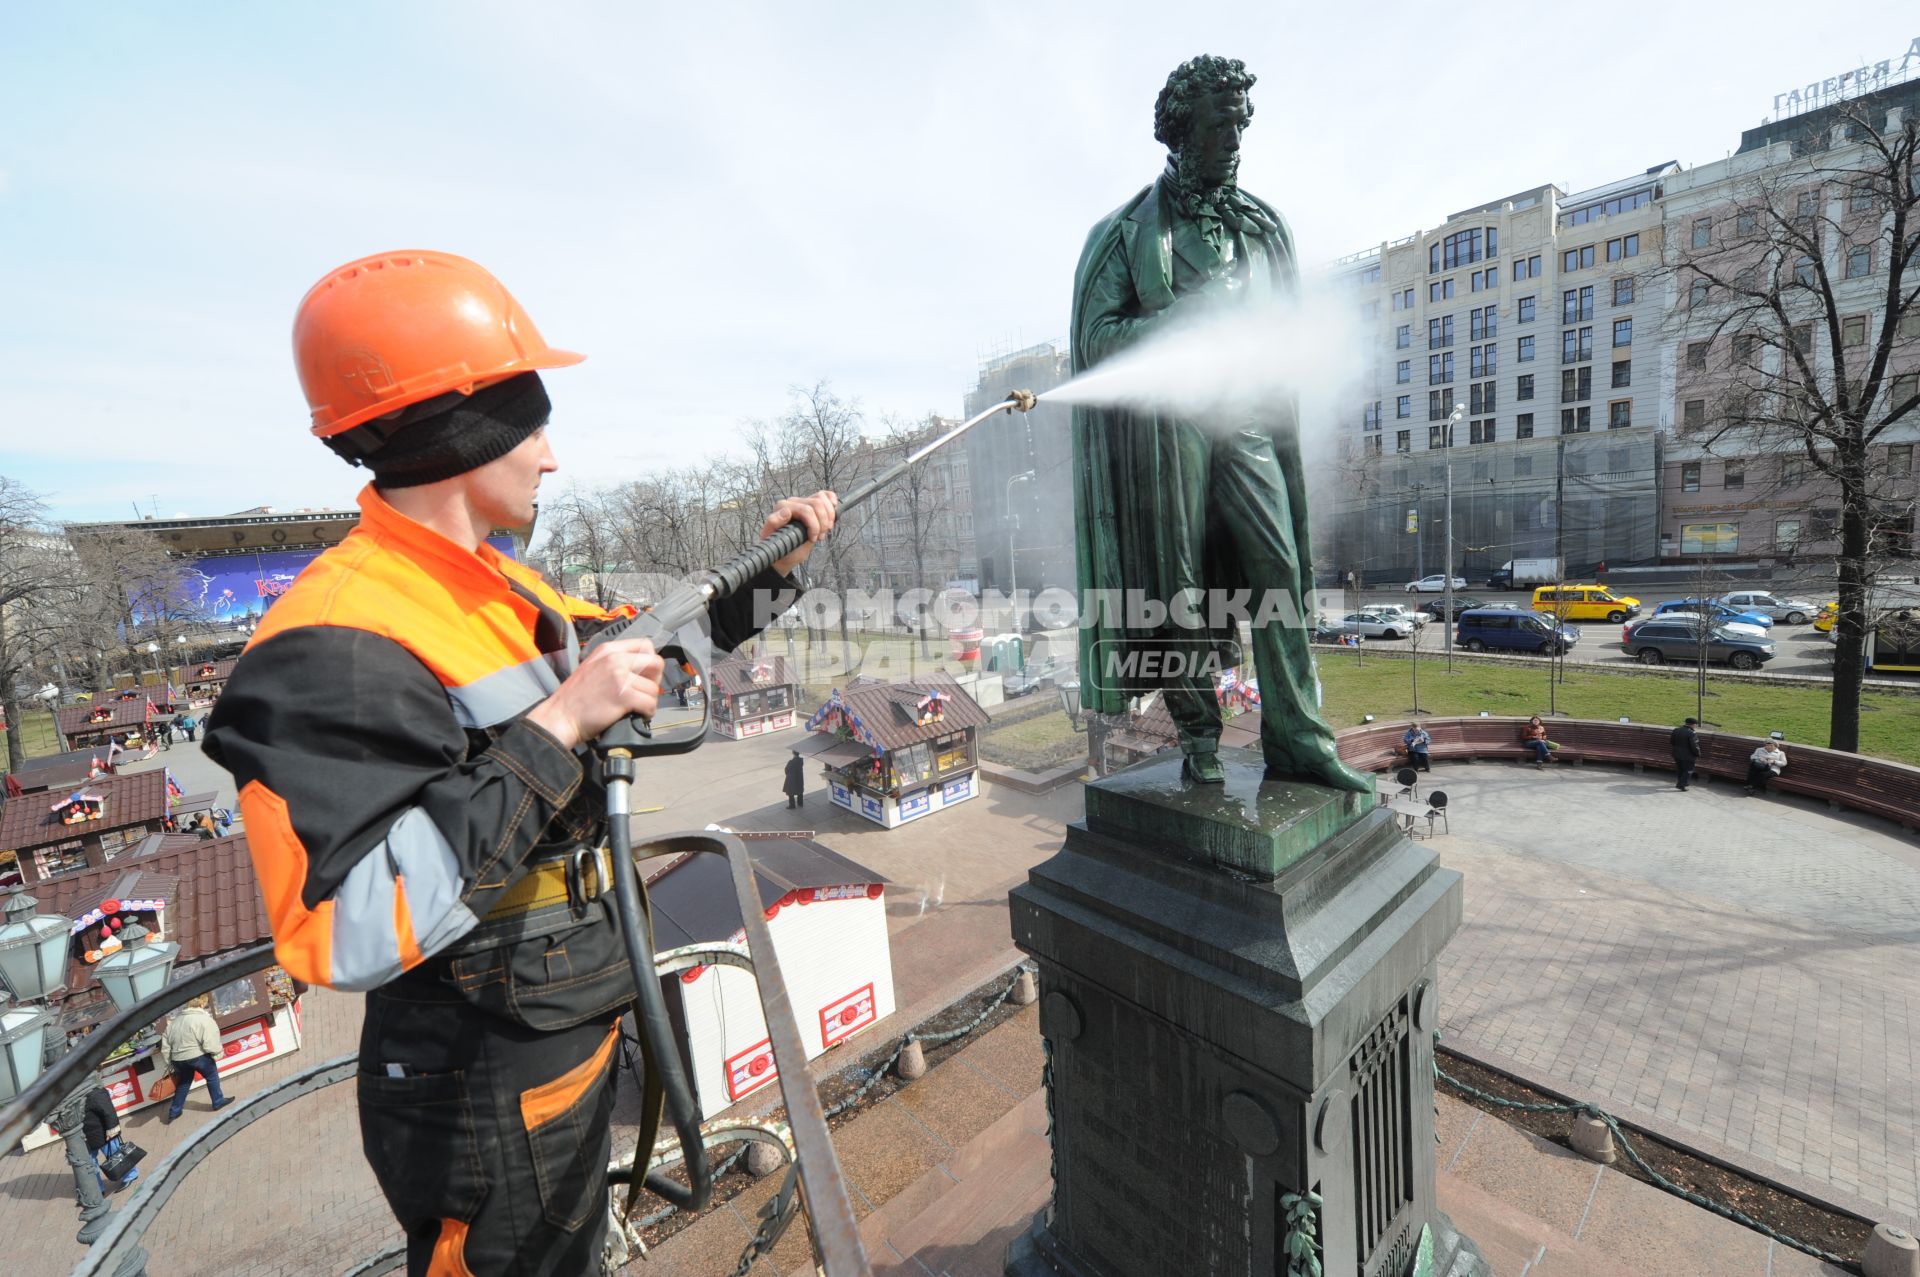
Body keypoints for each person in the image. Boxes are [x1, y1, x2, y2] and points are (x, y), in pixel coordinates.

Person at [202, 250, 835, 1277]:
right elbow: (348, 920)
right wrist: (558, 724)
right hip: (478, 1076)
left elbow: (637, 653)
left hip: (548, 1027)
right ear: (464, 434)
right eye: (532, 425)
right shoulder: (332, 640)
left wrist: (769, 573)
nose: (549, 457)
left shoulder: (486, 586)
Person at [1067, 56, 1370, 794]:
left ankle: (1299, 738)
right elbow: (1096, 340)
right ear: (1179, 132)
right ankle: (1198, 733)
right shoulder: (1126, 234)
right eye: (1218, 124)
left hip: (1251, 424)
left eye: (1240, 123)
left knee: (1283, 573)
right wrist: (1180, 325)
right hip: (1173, 440)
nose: (1233, 139)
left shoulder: (1263, 228)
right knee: (1179, 582)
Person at [159, 994, 231, 1121]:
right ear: (202, 1004)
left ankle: (174, 1111)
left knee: (184, 1083)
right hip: (198, 1056)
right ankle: (218, 1101)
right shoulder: (203, 1019)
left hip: (178, 1059)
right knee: (211, 1076)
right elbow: (210, 1043)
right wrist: (217, 1053)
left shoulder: (173, 1023)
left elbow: (165, 1047)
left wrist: (169, 1062)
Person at [81, 1082, 138, 1192]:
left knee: (116, 1154)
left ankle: (130, 1175)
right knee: (89, 1163)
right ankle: (97, 1189)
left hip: (102, 1132)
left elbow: (108, 1110)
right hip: (85, 1135)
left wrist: (112, 1129)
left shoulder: (93, 1090)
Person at [1670, 717, 1701, 791]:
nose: (1695, 726)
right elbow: (1694, 746)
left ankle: (1681, 782)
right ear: (1693, 725)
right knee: (1688, 770)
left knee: (1680, 769)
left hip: (1676, 754)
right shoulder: (1692, 733)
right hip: (1688, 756)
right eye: (1695, 725)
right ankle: (1681, 785)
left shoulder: (1676, 730)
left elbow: (1672, 742)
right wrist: (1698, 754)